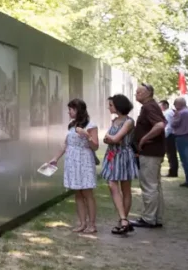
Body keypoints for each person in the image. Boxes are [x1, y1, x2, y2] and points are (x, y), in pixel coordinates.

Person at [49, 99, 99, 234]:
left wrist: (86, 135)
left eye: (71, 109)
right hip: (72, 161)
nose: (69, 112)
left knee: (87, 192)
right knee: (77, 193)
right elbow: (66, 144)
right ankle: (82, 223)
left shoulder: (91, 125)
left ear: (78, 110)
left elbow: (95, 146)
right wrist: (55, 159)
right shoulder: (71, 126)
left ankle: (92, 224)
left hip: (84, 160)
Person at [131, 83, 166, 229]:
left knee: (149, 185)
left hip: (150, 152)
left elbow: (159, 125)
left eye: (139, 92)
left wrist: (144, 139)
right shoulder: (151, 106)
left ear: (148, 93)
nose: (136, 94)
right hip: (153, 151)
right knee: (155, 185)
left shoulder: (149, 107)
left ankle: (148, 218)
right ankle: (155, 217)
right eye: (136, 92)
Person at [103, 95, 139, 235]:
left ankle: (123, 220)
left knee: (125, 188)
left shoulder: (129, 121)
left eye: (111, 105)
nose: (109, 107)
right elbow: (108, 139)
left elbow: (116, 138)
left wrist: (111, 139)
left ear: (118, 106)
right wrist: (111, 139)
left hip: (124, 156)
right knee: (112, 185)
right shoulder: (115, 120)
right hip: (113, 156)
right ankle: (124, 219)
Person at [171, 97, 188, 188]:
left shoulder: (180, 113)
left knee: (185, 161)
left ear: (178, 104)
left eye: (175, 105)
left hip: (182, 138)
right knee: (187, 160)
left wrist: (174, 116)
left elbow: (173, 124)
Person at [162, 100, 178, 178]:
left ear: (165, 105)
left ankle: (173, 172)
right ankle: (173, 171)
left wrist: (164, 136)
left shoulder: (167, 113)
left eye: (160, 105)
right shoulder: (169, 112)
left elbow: (168, 126)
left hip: (169, 136)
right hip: (171, 135)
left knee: (171, 154)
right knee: (171, 154)